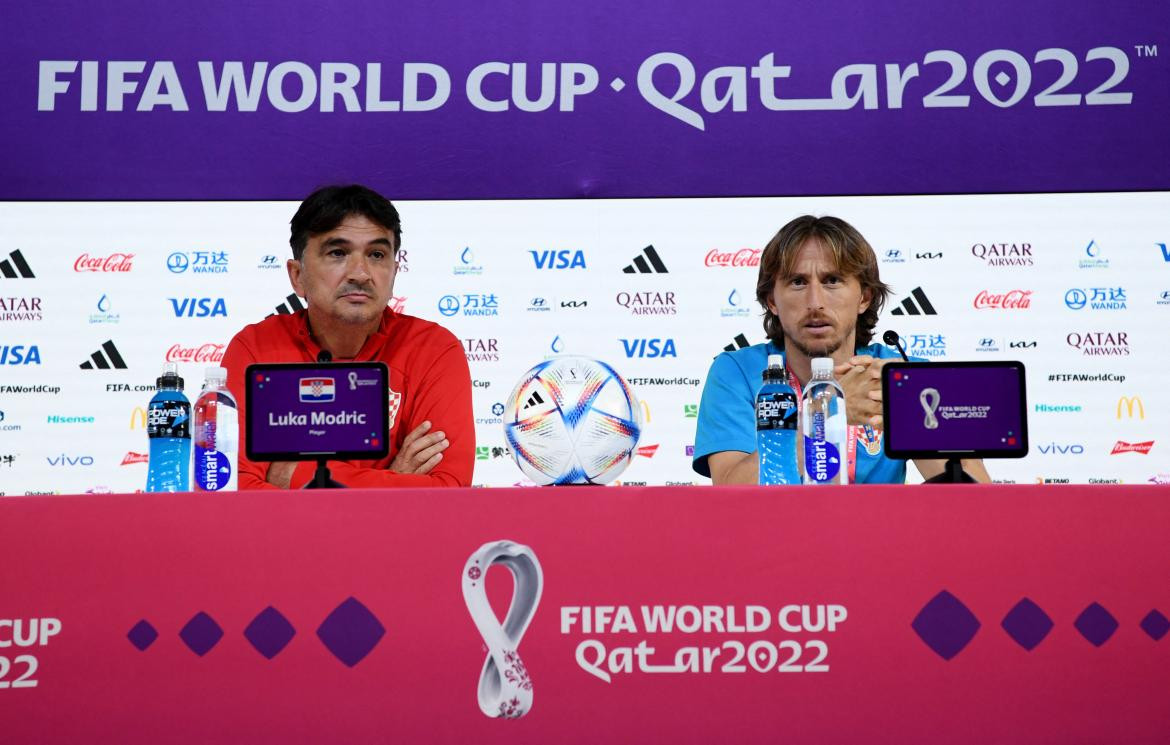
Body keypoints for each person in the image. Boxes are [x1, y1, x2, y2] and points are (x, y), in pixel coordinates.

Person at [692, 215, 989, 484]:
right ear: (772, 301)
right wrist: (831, 412)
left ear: (864, 298)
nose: (815, 302)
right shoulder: (737, 371)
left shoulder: (901, 374)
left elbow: (973, 498)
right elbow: (730, 491)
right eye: (797, 282)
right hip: (777, 539)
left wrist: (909, 405)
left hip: (881, 538)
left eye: (832, 281)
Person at [222, 185, 473, 489]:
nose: (361, 274)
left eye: (377, 254)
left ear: (394, 271)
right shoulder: (254, 349)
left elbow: (448, 490)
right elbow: (231, 487)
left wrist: (295, 476)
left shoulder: (433, 349)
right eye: (338, 253)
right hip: (285, 538)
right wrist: (397, 481)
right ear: (297, 276)